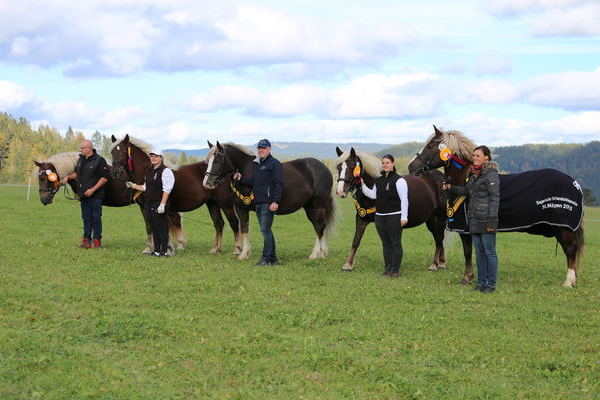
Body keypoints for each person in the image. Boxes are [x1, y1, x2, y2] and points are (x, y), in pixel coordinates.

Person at [442, 145, 500, 293]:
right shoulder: (474, 175)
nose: (474, 158)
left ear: (486, 157)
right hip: (474, 219)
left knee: (489, 252)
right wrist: (450, 187)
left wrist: (492, 220)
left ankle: (491, 284)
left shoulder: (491, 174)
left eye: (478, 156)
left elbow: (495, 198)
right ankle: (481, 282)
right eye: (473, 156)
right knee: (479, 253)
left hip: (486, 219)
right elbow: (466, 191)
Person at [232, 139, 283, 266]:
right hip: (258, 203)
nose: (261, 150)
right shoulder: (257, 165)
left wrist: (275, 201)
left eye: (264, 148)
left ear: (269, 149)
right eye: (259, 147)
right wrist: (240, 178)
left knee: (265, 230)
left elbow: (278, 184)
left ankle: (266, 259)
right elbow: (252, 182)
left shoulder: (274, 164)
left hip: (268, 203)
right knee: (265, 230)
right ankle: (272, 259)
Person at [360, 154, 409, 278]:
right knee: (385, 244)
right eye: (383, 163)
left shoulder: (400, 180)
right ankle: (387, 270)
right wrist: (362, 185)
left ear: (393, 164)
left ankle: (395, 271)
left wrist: (404, 217)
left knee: (395, 243)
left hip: (394, 216)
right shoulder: (379, 180)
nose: (385, 165)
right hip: (380, 217)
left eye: (387, 162)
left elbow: (404, 200)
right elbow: (373, 195)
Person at [60, 139, 110, 248]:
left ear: (89, 148)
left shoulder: (100, 160)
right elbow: (77, 174)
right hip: (83, 195)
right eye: (80, 148)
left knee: (96, 217)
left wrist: (92, 190)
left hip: (96, 195)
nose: (80, 150)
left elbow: (104, 178)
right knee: (86, 218)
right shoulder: (80, 159)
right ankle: (86, 241)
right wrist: (68, 177)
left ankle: (97, 241)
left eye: (82, 148)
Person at [126, 149, 175, 257]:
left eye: (156, 156)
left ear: (161, 158)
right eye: (152, 156)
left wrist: (162, 204)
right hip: (149, 204)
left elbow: (167, 189)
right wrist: (133, 185)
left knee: (162, 228)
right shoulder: (150, 171)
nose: (153, 158)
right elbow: (145, 187)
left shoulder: (166, 171)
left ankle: (165, 251)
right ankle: (157, 250)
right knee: (154, 227)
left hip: (159, 203)